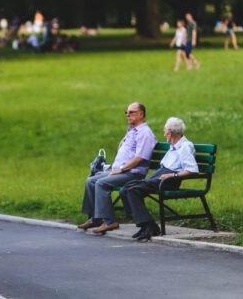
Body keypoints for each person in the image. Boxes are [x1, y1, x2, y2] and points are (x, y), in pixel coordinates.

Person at [78, 102, 157, 234]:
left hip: (132, 173)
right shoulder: (132, 131)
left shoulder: (145, 133)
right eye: (126, 112)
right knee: (90, 180)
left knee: (101, 183)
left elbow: (140, 158)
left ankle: (110, 221)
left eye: (131, 112)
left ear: (141, 114)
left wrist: (121, 169)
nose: (127, 115)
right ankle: (96, 218)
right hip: (120, 170)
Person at [120, 117, 198, 242]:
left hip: (169, 180)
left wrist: (172, 175)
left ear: (170, 133)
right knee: (125, 189)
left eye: (165, 131)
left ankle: (150, 226)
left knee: (133, 190)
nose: (164, 133)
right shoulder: (173, 145)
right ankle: (145, 225)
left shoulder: (185, 146)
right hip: (161, 175)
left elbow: (192, 170)